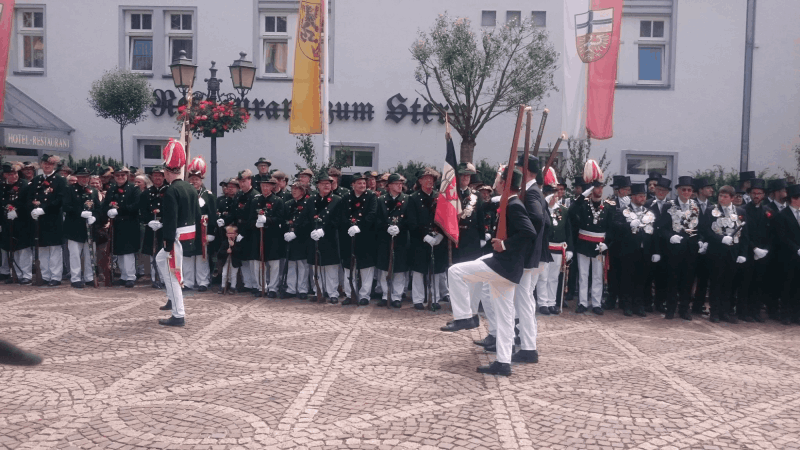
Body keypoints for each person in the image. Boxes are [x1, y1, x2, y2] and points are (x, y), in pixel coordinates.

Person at [442, 167, 534, 377]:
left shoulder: (514, 205)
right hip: (507, 267)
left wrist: (505, 244)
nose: (495, 182)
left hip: (502, 265)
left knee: (455, 272)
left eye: (498, 179)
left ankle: (465, 316)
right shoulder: (508, 202)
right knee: (505, 317)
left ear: (504, 184)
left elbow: (529, 232)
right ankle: (503, 362)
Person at [156, 139, 199, 326]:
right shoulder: (190, 187)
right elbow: (197, 214)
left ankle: (178, 314)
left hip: (175, 238)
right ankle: (171, 297)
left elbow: (170, 220)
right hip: (188, 235)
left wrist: (167, 242)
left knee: (173, 274)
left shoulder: (172, 191)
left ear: (167, 172)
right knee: (160, 260)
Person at [702, 185, 748, 323]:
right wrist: (720, 238)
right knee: (716, 282)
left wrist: (743, 253)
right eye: (720, 196)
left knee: (729, 283)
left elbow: (745, 234)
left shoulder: (740, 211)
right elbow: (706, 231)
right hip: (716, 252)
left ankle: (725, 311)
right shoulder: (711, 210)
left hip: (733, 252)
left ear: (732, 198)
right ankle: (714, 312)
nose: (721, 198)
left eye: (725, 196)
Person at [572, 162, 613, 315]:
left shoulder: (608, 206)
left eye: (601, 188)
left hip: (599, 245)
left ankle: (596, 303)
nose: (599, 190)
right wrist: (583, 195)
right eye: (596, 188)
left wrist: (607, 244)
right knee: (583, 275)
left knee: (597, 276)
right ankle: (582, 302)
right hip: (583, 243)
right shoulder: (583, 204)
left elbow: (611, 228)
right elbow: (572, 212)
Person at [612, 183, 658, 317]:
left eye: (644, 196)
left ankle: (639, 305)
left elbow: (654, 233)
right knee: (627, 278)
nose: (643, 198)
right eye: (640, 196)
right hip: (628, 251)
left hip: (645, 251)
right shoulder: (622, 211)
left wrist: (656, 251)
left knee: (642, 279)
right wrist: (628, 225)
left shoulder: (649, 212)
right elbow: (615, 228)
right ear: (632, 197)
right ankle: (627, 305)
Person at [660, 176, 702, 320]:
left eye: (689, 190)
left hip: (691, 249)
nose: (686, 192)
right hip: (674, 249)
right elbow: (662, 228)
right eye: (683, 189)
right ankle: (670, 308)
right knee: (672, 279)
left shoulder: (696, 206)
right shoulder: (669, 205)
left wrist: (701, 241)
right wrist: (670, 236)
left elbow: (701, 228)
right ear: (678, 190)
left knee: (688, 280)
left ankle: (684, 309)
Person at [406, 167, 448, 311]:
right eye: (426, 179)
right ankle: (418, 299)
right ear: (420, 181)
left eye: (432, 179)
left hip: (438, 239)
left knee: (436, 270)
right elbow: (412, 221)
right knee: (419, 271)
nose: (430, 181)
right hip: (420, 240)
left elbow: (445, 218)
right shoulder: (413, 198)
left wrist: (441, 234)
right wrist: (424, 236)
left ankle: (434, 298)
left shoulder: (440, 196)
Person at [26, 154, 68, 286]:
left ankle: (55, 277)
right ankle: (45, 276)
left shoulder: (60, 180)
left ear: (54, 165)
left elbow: (60, 199)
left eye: (50, 164)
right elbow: (29, 197)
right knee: (42, 249)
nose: (47, 166)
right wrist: (32, 208)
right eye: (45, 163)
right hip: (39, 220)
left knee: (55, 249)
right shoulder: (37, 180)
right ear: (41, 165)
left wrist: (44, 209)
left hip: (53, 219)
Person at [301, 174, 344, 303]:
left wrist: (324, 230)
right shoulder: (311, 200)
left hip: (330, 238)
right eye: (323, 183)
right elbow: (305, 218)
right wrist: (311, 230)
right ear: (318, 185)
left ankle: (332, 293)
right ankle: (318, 291)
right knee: (316, 266)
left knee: (331, 268)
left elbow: (338, 219)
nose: (326, 186)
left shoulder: (337, 200)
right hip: (314, 237)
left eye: (328, 183)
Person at [339, 172, 377, 305]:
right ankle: (350, 294)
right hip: (349, 236)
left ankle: (364, 296)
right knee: (349, 268)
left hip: (366, 236)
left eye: (364, 183)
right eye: (359, 183)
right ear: (353, 184)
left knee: (366, 268)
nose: (362, 185)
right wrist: (349, 226)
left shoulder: (371, 196)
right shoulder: (346, 197)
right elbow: (342, 215)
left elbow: (372, 214)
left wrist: (359, 226)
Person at [101, 166, 141, 288]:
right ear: (114, 176)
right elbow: (106, 204)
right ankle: (123, 276)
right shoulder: (112, 189)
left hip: (129, 224)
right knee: (118, 251)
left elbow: (136, 205)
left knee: (128, 252)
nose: (120, 177)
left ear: (127, 176)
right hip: (116, 224)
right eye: (117, 175)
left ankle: (130, 276)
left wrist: (119, 211)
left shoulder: (134, 189)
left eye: (123, 175)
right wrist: (108, 211)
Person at [375, 173, 410, 308]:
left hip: (401, 238)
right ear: (389, 186)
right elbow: (377, 219)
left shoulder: (407, 199)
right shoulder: (381, 200)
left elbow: (410, 218)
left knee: (399, 268)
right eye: (396, 183)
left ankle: (397, 296)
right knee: (385, 268)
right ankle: (385, 295)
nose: (400, 186)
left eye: (401, 183)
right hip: (385, 238)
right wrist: (387, 227)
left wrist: (400, 227)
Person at [538, 181, 573, 315]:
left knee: (554, 277)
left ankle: (552, 302)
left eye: (555, 194)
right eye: (551, 195)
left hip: (558, 248)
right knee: (543, 277)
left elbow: (568, 230)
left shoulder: (563, 210)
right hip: (545, 248)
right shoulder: (542, 210)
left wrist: (570, 249)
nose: (554, 197)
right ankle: (543, 303)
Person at [182, 157, 216, 292]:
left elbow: (212, 215)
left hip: (203, 229)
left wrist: (211, 233)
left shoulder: (208, 195)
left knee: (202, 256)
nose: (194, 181)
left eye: (196, 179)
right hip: (188, 229)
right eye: (192, 179)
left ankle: (203, 281)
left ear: (201, 180)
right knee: (187, 256)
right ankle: (188, 282)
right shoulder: (185, 194)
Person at [63, 167, 100, 288]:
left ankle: (89, 277)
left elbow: (98, 208)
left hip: (89, 227)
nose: (84, 179)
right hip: (74, 227)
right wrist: (79, 213)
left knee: (90, 255)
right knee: (75, 255)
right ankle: (76, 278)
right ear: (77, 177)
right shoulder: (69, 190)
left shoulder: (93, 191)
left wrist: (94, 217)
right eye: (82, 177)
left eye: (86, 177)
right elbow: (66, 206)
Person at [740, 178, 770, 322]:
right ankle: (743, 311)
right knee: (745, 282)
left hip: (762, 253)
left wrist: (765, 249)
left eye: (759, 193)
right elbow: (743, 233)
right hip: (748, 251)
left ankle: (755, 311)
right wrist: (754, 248)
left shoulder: (767, 211)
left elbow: (772, 233)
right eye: (754, 193)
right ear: (750, 194)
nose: (756, 195)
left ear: (763, 195)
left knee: (759, 283)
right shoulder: (743, 210)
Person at [250, 175, 285, 297]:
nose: (265, 188)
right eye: (263, 185)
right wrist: (255, 223)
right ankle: (261, 287)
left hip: (273, 236)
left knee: (274, 264)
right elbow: (250, 218)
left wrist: (267, 220)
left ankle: (273, 288)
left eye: (267, 186)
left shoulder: (278, 201)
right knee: (258, 264)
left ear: (272, 187)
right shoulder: (255, 201)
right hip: (258, 236)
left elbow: (280, 218)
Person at [1, 163, 32, 284]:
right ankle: (15, 274)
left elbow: (27, 201)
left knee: (23, 249)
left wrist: (16, 209)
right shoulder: (2, 186)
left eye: (15, 173)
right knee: (10, 248)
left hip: (22, 221)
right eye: (10, 174)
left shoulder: (24, 185)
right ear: (5, 175)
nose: (13, 176)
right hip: (7, 221)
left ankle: (26, 275)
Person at [774, 183, 800, 325]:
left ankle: (797, 314)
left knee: (798, 286)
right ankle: (785, 314)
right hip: (787, 257)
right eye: (797, 198)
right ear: (792, 199)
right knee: (787, 286)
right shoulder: (782, 215)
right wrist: (796, 248)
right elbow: (782, 237)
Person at [140, 166, 169, 289]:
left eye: (160, 175)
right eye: (155, 175)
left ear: (164, 177)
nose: (157, 178)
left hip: (164, 227)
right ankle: (154, 277)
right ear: (151, 177)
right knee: (153, 253)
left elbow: (171, 210)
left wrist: (162, 222)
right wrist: (149, 221)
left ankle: (164, 278)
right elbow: (143, 210)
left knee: (165, 253)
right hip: (151, 227)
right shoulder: (146, 193)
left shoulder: (169, 191)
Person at [282, 181, 311, 299]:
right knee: (291, 264)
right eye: (292, 188)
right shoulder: (288, 204)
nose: (293, 191)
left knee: (302, 265)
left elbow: (308, 222)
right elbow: (284, 219)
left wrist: (296, 233)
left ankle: (303, 289)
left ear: (303, 191)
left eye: (296, 189)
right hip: (290, 237)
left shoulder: (308, 203)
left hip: (302, 238)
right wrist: (286, 230)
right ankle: (291, 289)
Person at [452, 163, 485, 264]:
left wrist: (482, 237)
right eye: (463, 175)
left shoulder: (476, 195)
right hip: (454, 237)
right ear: (457, 176)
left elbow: (480, 218)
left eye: (468, 175)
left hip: (471, 238)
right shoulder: (451, 194)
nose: (465, 178)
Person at [233, 169, 259, 293]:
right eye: (240, 181)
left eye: (244, 181)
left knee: (252, 260)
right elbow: (235, 213)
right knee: (243, 258)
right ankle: (247, 283)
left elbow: (252, 217)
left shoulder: (255, 195)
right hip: (240, 230)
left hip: (251, 232)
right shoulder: (239, 195)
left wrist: (244, 233)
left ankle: (255, 284)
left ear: (250, 180)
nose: (242, 184)